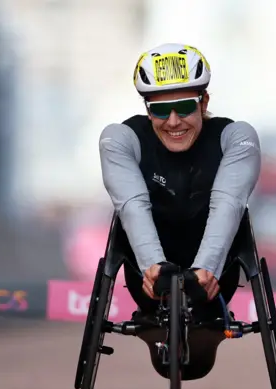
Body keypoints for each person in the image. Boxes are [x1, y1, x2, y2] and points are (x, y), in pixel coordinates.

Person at [99, 43, 261, 323]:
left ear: (204, 103)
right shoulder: (121, 138)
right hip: (149, 280)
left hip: (215, 280)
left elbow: (228, 203)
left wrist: (206, 268)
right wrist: (154, 267)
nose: (173, 122)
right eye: (160, 110)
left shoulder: (235, 136)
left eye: (185, 107)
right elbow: (132, 206)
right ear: (147, 111)